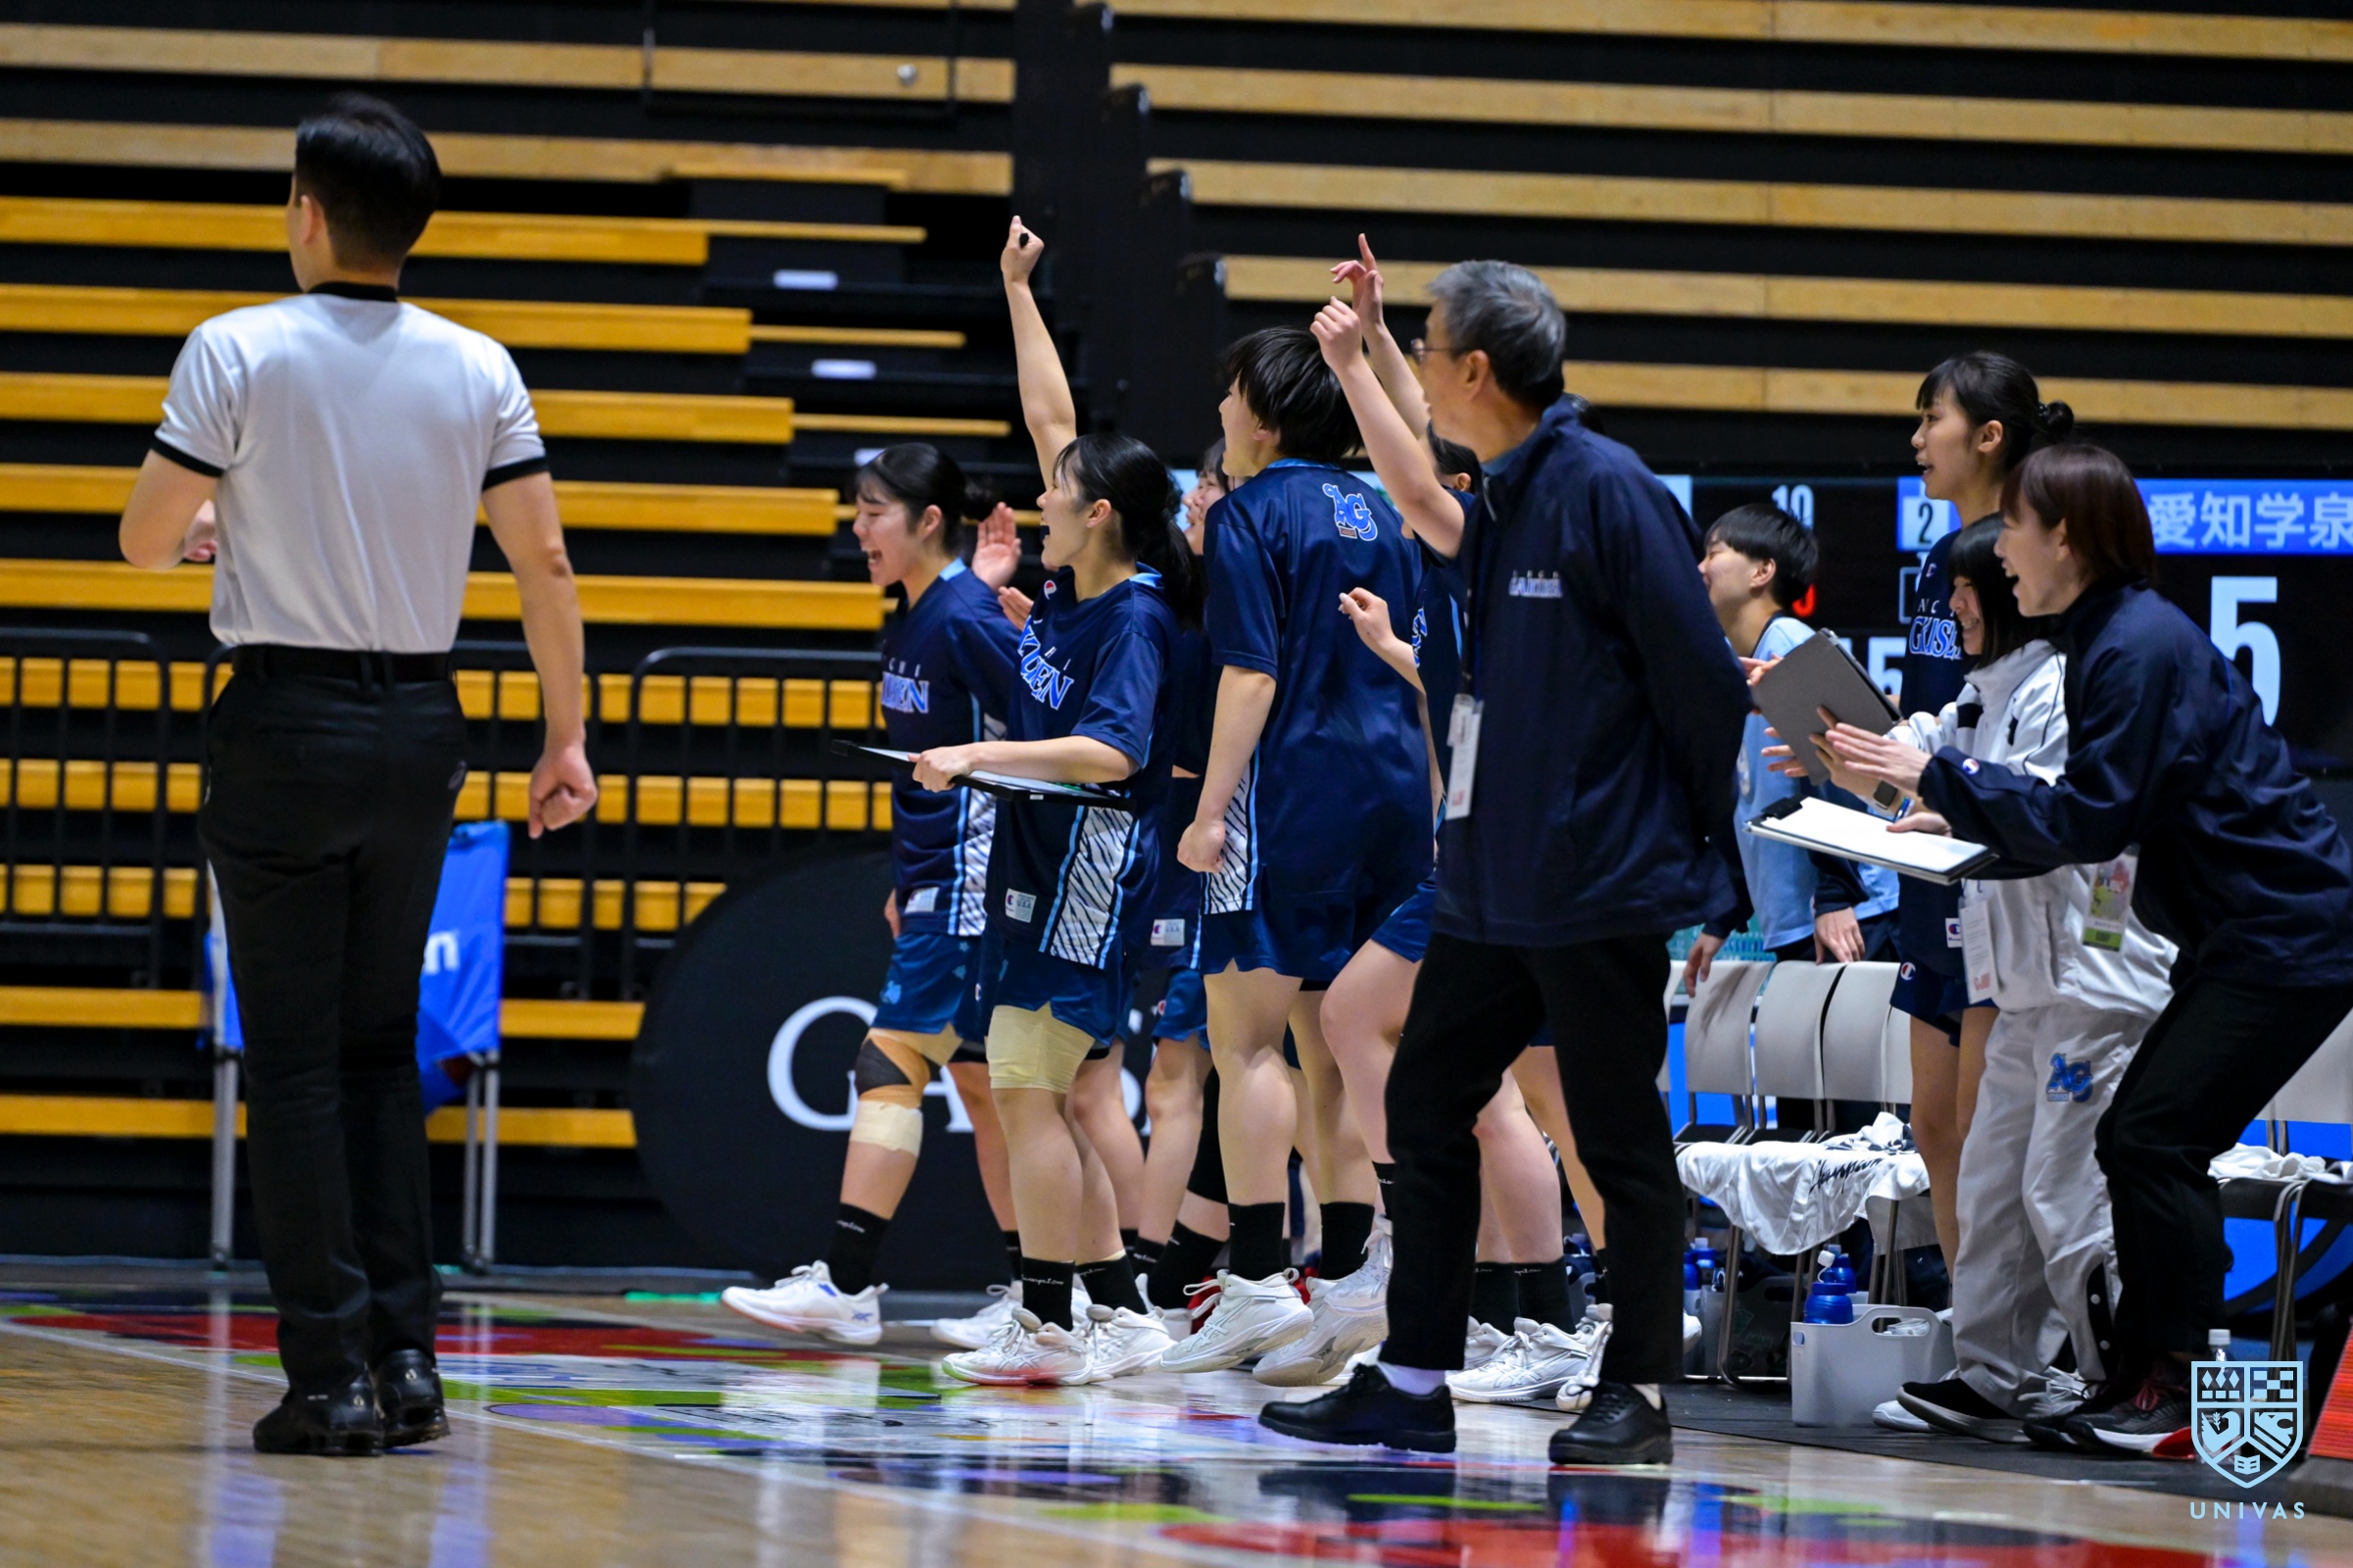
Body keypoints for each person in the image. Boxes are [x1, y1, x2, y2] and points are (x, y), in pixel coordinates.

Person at [119, 94, 596, 1455]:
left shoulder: (236, 345)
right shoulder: (480, 364)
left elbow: (143, 540)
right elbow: (545, 563)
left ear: (308, 213)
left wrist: (211, 520)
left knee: (292, 1066)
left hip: (284, 722)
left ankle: (326, 1377)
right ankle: (409, 1361)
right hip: (420, 728)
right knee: (384, 1050)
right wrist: (564, 738)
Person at [1257, 260, 1747, 1461]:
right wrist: (1361, 356)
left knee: (1616, 1139)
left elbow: (1702, 685)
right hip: (1492, 882)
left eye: (1428, 350)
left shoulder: (1607, 491)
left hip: (1596, 879)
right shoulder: (1510, 494)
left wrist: (1702, 854)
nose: (1422, 372)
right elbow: (1419, 492)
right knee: (1426, 1103)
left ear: (1476, 369)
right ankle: (1414, 1374)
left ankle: (1638, 1389)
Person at [1816, 442, 2353, 1453]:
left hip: (2285, 931)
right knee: (2137, 1140)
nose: (1999, 555)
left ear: (2062, 535)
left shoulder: (2132, 646)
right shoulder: (2107, 638)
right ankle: (2142, 1382)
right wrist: (1949, 803)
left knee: (2147, 1139)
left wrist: (1934, 780)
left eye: (2014, 528)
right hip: (2240, 936)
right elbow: (2074, 813)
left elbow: (2090, 818)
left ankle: (2177, 1389)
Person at [1800, 519, 2172, 1442]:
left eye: (1972, 587)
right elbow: (1913, 768)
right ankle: (1993, 1373)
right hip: (2015, 985)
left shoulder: (2065, 688)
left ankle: (2125, 1383)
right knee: (1992, 1184)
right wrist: (1839, 759)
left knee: (2062, 1191)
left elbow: (2050, 817)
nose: (1956, 606)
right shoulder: (1980, 694)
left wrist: (1943, 799)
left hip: (2093, 982)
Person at [926, 218, 1197, 1386]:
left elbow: (1111, 751)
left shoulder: (1132, 615)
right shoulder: (1072, 582)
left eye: (1059, 493)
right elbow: (1052, 419)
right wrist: (1016, 289)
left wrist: (983, 755)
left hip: (1082, 869)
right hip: (1040, 858)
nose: (1041, 497)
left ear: (1101, 516)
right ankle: (1115, 1309)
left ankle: (1047, 1323)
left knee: (1026, 1092)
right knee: (1068, 1091)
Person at [1165, 321, 1430, 1374]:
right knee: (1338, 1044)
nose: (1220, 410)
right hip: (1395, 798)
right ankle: (1356, 1279)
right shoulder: (1389, 508)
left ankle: (1256, 1284)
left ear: (1266, 416)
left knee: (1243, 1042)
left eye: (1230, 393)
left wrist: (1207, 811)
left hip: (1286, 797)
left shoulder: (1248, 511)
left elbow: (1249, 674)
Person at [720, 446, 1024, 1346]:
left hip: (972, 879)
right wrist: (906, 877)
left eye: (872, 512)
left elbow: (1043, 735)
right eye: (855, 511)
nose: (856, 529)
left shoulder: (965, 616)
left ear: (928, 521)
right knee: (983, 1089)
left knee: (889, 1061)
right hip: (936, 877)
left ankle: (850, 1283)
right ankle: (1042, 1298)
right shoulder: (921, 613)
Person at [1887, 354, 2073, 1279]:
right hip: (1929, 857)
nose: (1917, 438)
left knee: (1991, 1132)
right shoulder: (1939, 560)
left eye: (1934, 418)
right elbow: (1938, 709)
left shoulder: (2037, 552)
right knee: (1933, 1127)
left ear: (1989, 435)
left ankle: (2014, 1333)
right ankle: (1973, 1328)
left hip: (1998, 875)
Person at [1687, 504, 1897, 984]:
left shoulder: (1791, 645)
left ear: (1762, 571)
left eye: (1714, 553)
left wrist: (1837, 896)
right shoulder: (1735, 663)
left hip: (1850, 916)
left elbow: (1841, 774)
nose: (1700, 568)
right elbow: (1746, 805)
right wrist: (1724, 915)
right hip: (1798, 920)